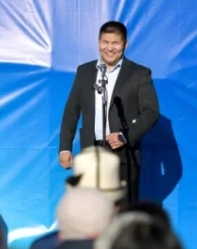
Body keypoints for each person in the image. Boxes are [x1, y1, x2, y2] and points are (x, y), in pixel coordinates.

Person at [58, 21, 159, 206]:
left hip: (123, 156)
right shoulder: (85, 71)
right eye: (105, 42)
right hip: (90, 153)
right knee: (90, 210)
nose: (110, 48)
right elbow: (72, 111)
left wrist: (125, 136)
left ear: (125, 44)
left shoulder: (139, 74)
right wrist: (65, 147)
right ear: (98, 43)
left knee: (122, 211)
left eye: (115, 43)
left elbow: (151, 112)